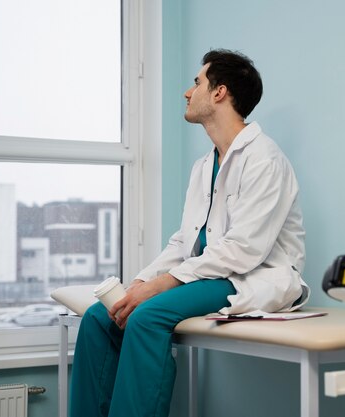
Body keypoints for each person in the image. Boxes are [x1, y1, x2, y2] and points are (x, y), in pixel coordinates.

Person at [69, 49, 308, 417]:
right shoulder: (204, 166)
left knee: (148, 317)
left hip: (249, 276)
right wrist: (140, 282)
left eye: (196, 82)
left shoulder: (265, 159)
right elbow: (185, 242)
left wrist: (162, 285)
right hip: (210, 274)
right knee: (100, 318)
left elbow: (243, 251)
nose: (187, 91)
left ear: (219, 93)